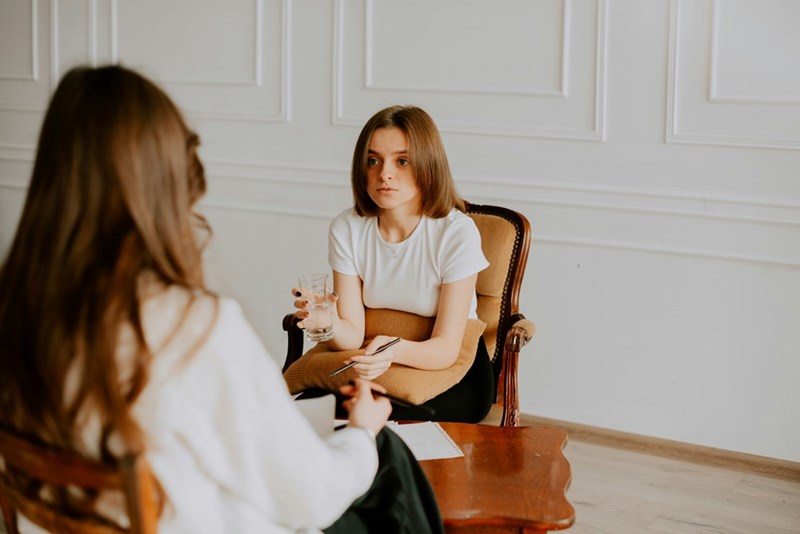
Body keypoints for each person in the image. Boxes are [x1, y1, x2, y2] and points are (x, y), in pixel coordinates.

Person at [0, 66, 442, 533]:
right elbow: (311, 498)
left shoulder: (19, 313)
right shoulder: (190, 327)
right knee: (384, 458)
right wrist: (360, 432)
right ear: (169, 180)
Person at [293, 105, 493, 423]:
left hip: (450, 369)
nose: (384, 174)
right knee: (305, 412)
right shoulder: (348, 227)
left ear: (428, 165)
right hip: (373, 358)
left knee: (375, 423)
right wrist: (328, 321)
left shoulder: (456, 233)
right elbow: (353, 336)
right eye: (373, 160)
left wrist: (394, 350)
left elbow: (445, 348)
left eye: (402, 161)